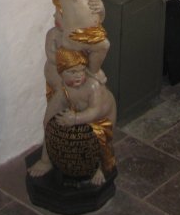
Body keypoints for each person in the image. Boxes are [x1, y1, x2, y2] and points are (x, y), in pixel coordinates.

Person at [29, 47, 116, 184]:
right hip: (80, 111)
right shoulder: (63, 87)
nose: (79, 75)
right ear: (61, 72)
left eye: (82, 70)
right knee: (50, 123)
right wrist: (51, 123)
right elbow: (48, 119)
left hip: (102, 116)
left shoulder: (92, 86)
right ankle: (46, 161)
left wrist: (75, 119)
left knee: (102, 139)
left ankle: (100, 168)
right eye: (73, 72)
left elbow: (94, 111)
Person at [53, 0, 112, 81]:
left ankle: (92, 69)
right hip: (75, 37)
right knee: (104, 45)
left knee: (103, 45)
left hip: (93, 33)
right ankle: (93, 71)